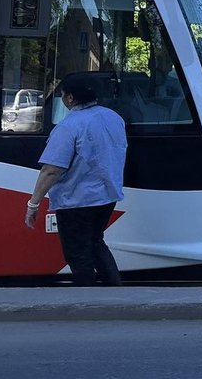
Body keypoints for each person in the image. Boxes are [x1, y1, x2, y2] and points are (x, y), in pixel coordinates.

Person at [23, 73, 128, 286]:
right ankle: (116, 293)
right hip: (107, 197)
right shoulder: (113, 118)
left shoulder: (69, 126)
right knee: (96, 243)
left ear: (70, 99)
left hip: (76, 201)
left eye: (62, 95)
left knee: (78, 255)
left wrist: (33, 204)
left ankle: (86, 300)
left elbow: (51, 170)